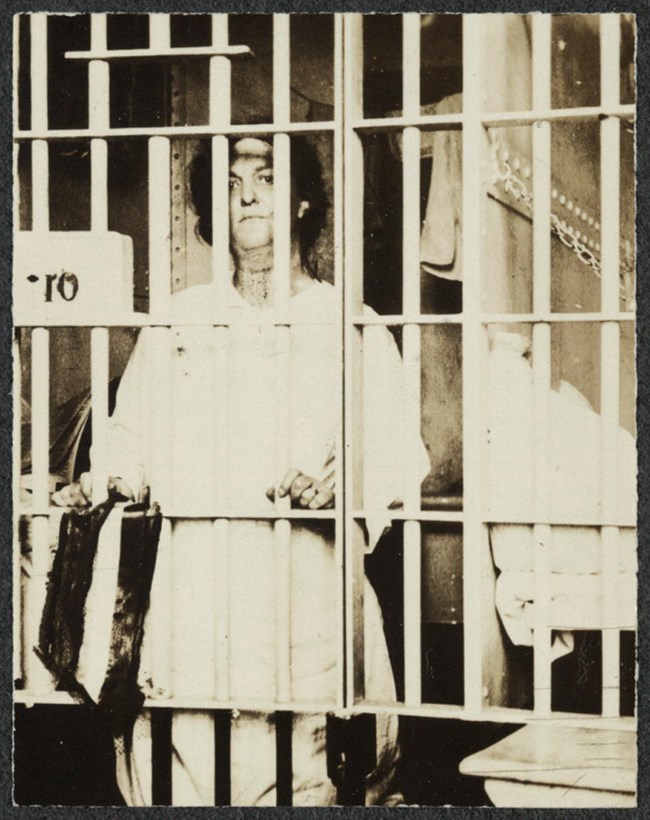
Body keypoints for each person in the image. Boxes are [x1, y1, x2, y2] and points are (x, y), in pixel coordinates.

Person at [54, 135, 430, 806]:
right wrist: (109, 476)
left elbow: (399, 454)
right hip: (192, 600)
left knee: (308, 773)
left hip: (304, 597)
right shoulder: (180, 319)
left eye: (266, 177)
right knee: (183, 772)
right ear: (211, 208)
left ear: (304, 202)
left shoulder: (351, 325)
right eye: (230, 183)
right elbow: (129, 437)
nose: (248, 193)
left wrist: (345, 484)